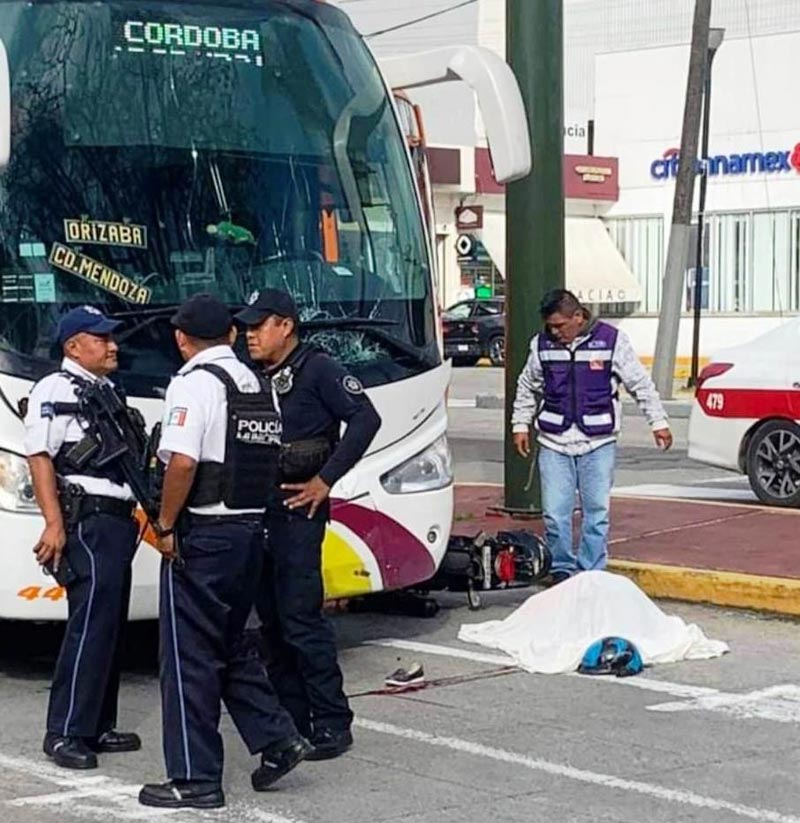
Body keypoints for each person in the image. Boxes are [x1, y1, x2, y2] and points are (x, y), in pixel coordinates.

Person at [139, 294, 308, 811]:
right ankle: (278, 738)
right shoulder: (257, 384)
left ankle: (194, 778)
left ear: (181, 339)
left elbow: (184, 463)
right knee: (230, 644)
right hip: (248, 533)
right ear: (232, 335)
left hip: (204, 535)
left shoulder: (193, 383)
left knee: (188, 658)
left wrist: (165, 524)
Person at [235, 289, 381, 761]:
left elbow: (364, 419)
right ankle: (293, 720)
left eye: (260, 326)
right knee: (270, 625)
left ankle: (332, 722)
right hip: (257, 511)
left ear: (286, 326)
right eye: (248, 327)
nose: (250, 335)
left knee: (301, 620)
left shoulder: (318, 368)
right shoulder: (251, 372)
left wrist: (325, 481)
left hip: (299, 511)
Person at [24, 306, 142, 770]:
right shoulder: (55, 388)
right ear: (73, 346)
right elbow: (39, 457)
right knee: (89, 622)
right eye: (101, 338)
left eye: (111, 338)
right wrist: (53, 523)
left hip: (117, 517)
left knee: (110, 623)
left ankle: (97, 724)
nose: (112, 345)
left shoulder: (106, 389)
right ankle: (66, 731)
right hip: (86, 517)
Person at [512, 289, 673, 583]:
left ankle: (591, 571)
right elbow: (527, 386)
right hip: (554, 441)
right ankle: (561, 568)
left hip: (598, 442)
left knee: (596, 512)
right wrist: (520, 424)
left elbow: (640, 383)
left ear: (578, 316)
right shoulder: (541, 345)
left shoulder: (612, 341)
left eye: (560, 325)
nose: (554, 331)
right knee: (554, 513)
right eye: (550, 326)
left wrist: (658, 421)